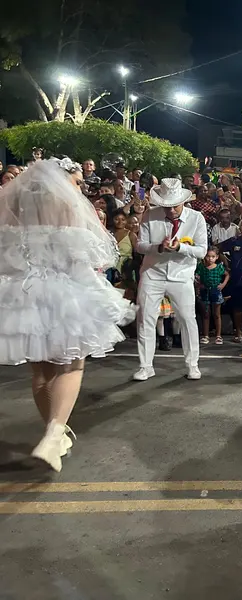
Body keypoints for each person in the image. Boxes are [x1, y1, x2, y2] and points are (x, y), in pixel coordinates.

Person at [0, 158, 134, 471]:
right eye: (76, 182)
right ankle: (54, 433)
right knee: (72, 366)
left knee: (41, 373)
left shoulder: (15, 209)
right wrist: (102, 297)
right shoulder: (68, 209)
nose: (79, 189)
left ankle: (55, 433)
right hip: (63, 295)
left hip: (24, 298)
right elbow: (79, 262)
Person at [134, 178, 208, 382]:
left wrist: (180, 248)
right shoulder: (150, 215)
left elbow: (202, 251)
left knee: (187, 319)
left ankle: (192, 364)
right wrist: (158, 247)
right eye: (166, 207)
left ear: (183, 202)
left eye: (174, 206)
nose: (170, 211)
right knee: (145, 319)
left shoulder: (196, 218)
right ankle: (145, 366)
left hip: (182, 275)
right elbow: (140, 245)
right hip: (152, 273)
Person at [196, 247, 229, 345]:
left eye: (213, 257)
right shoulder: (201, 266)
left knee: (217, 314)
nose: (210, 259)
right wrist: (198, 284)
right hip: (204, 291)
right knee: (206, 314)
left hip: (216, 291)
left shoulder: (219, 267)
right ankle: (206, 335)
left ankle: (218, 335)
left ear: (217, 257)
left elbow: (227, 275)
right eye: (208, 256)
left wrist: (223, 285)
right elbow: (196, 277)